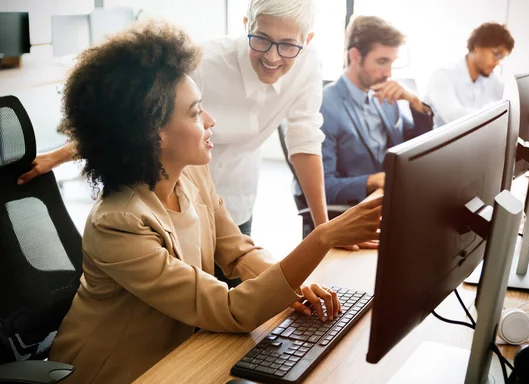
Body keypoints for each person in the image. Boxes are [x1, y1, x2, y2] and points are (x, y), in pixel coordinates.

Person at [42, 21, 381, 384]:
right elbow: (232, 310)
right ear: (153, 134)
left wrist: (294, 288)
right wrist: (323, 236)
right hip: (111, 382)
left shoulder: (194, 175)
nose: (211, 121)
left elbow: (236, 250)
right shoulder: (119, 223)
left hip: (175, 362)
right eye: (195, 112)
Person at [17, 0, 327, 238]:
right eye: (261, 39)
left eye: (287, 45)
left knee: (232, 276)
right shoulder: (207, 62)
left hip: (235, 196)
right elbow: (132, 115)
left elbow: (305, 142)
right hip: (173, 194)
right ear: (246, 24)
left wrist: (324, 230)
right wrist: (60, 155)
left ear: (307, 40)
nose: (272, 57)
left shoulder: (307, 66)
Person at [320, 16, 433, 205]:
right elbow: (324, 187)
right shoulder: (326, 106)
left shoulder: (386, 96)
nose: (388, 73)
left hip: (396, 200)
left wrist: (415, 103)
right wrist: (372, 181)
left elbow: (417, 150)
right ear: (355, 56)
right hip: (359, 210)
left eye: (391, 62)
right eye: (382, 61)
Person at [424, 22, 515, 128]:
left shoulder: (490, 78)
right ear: (478, 46)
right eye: (496, 54)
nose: (497, 62)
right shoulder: (443, 76)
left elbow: (512, 99)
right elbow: (454, 118)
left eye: (501, 58)